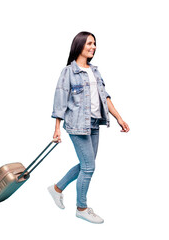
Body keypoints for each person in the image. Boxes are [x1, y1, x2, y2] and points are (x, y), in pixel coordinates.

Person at [48, 31, 129, 224]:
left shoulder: (95, 71)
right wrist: (57, 128)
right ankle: (81, 208)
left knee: (86, 165)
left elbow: (105, 97)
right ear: (79, 46)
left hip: (94, 123)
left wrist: (119, 117)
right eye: (89, 44)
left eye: (94, 44)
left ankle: (57, 189)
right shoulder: (68, 71)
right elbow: (60, 100)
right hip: (77, 125)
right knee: (89, 166)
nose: (93, 47)